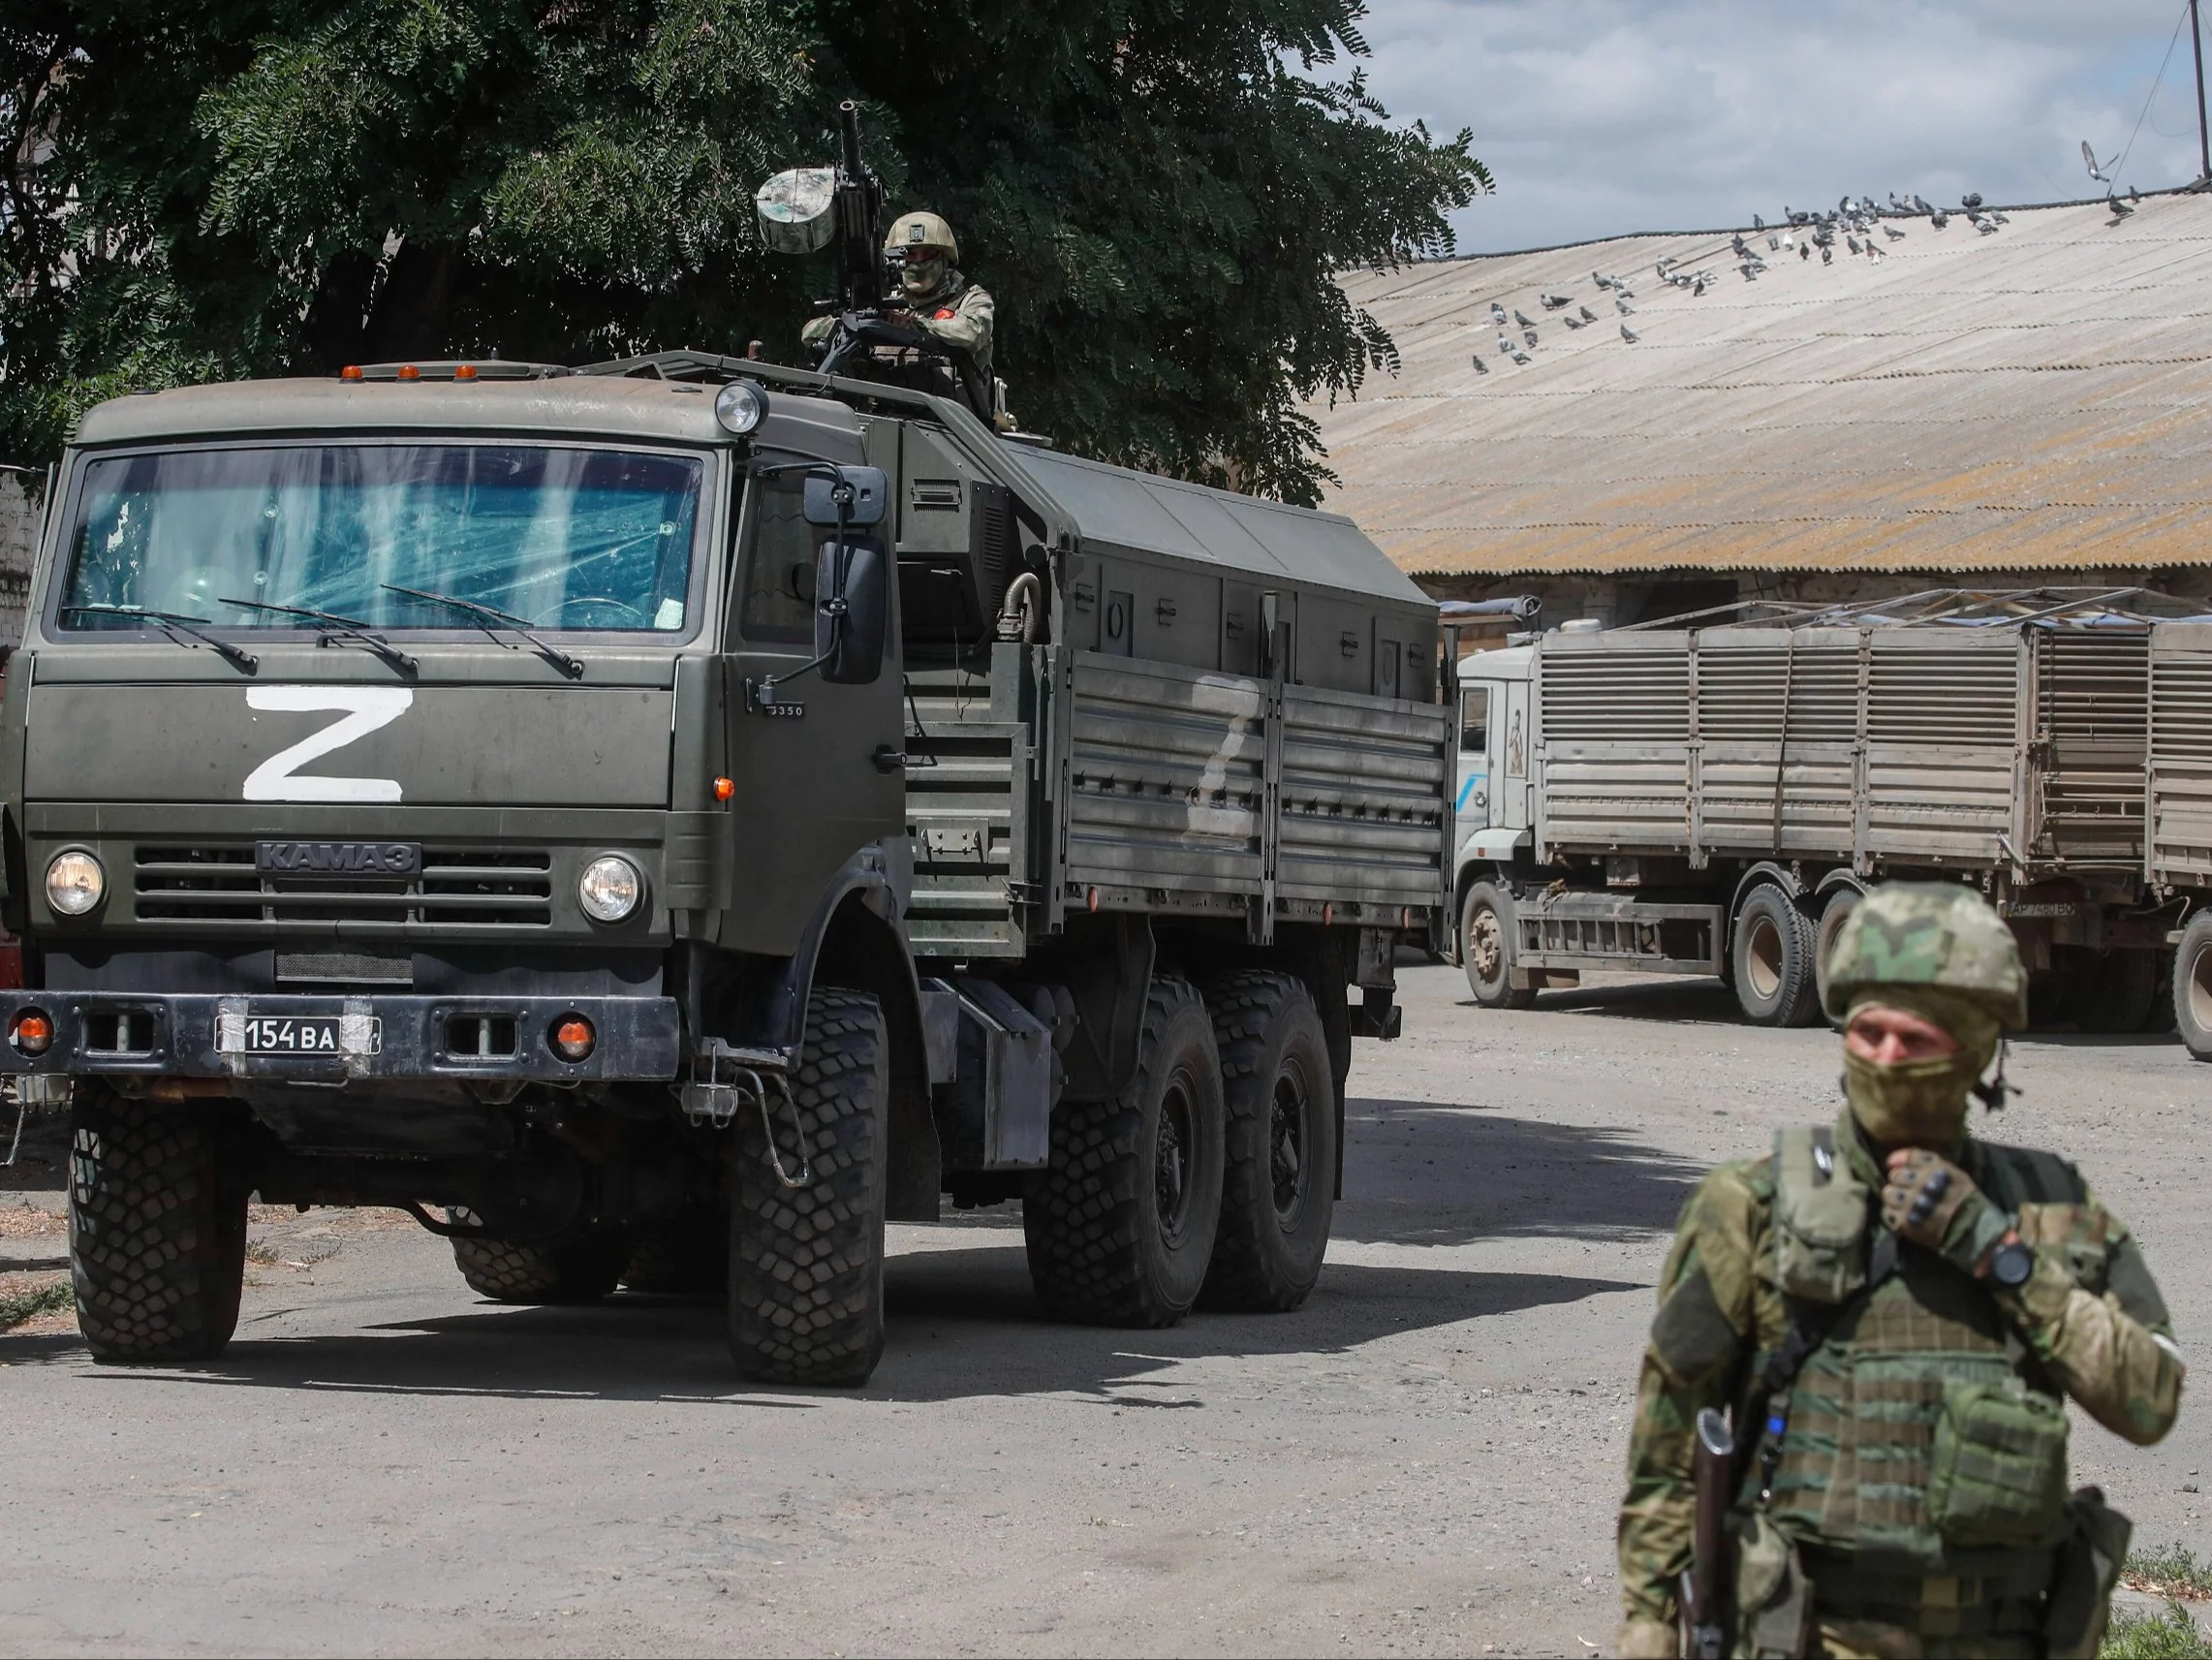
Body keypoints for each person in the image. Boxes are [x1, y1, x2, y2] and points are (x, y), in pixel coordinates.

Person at [1616, 882, 2184, 1659]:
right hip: (1810, 1635)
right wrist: (1648, 1620)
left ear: (1979, 1048)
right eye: (1867, 1031)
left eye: (1914, 1039)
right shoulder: (1751, 1204)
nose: (1884, 1058)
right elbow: (1669, 1442)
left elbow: (2149, 1400)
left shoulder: (2047, 1207)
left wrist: (1995, 1251)